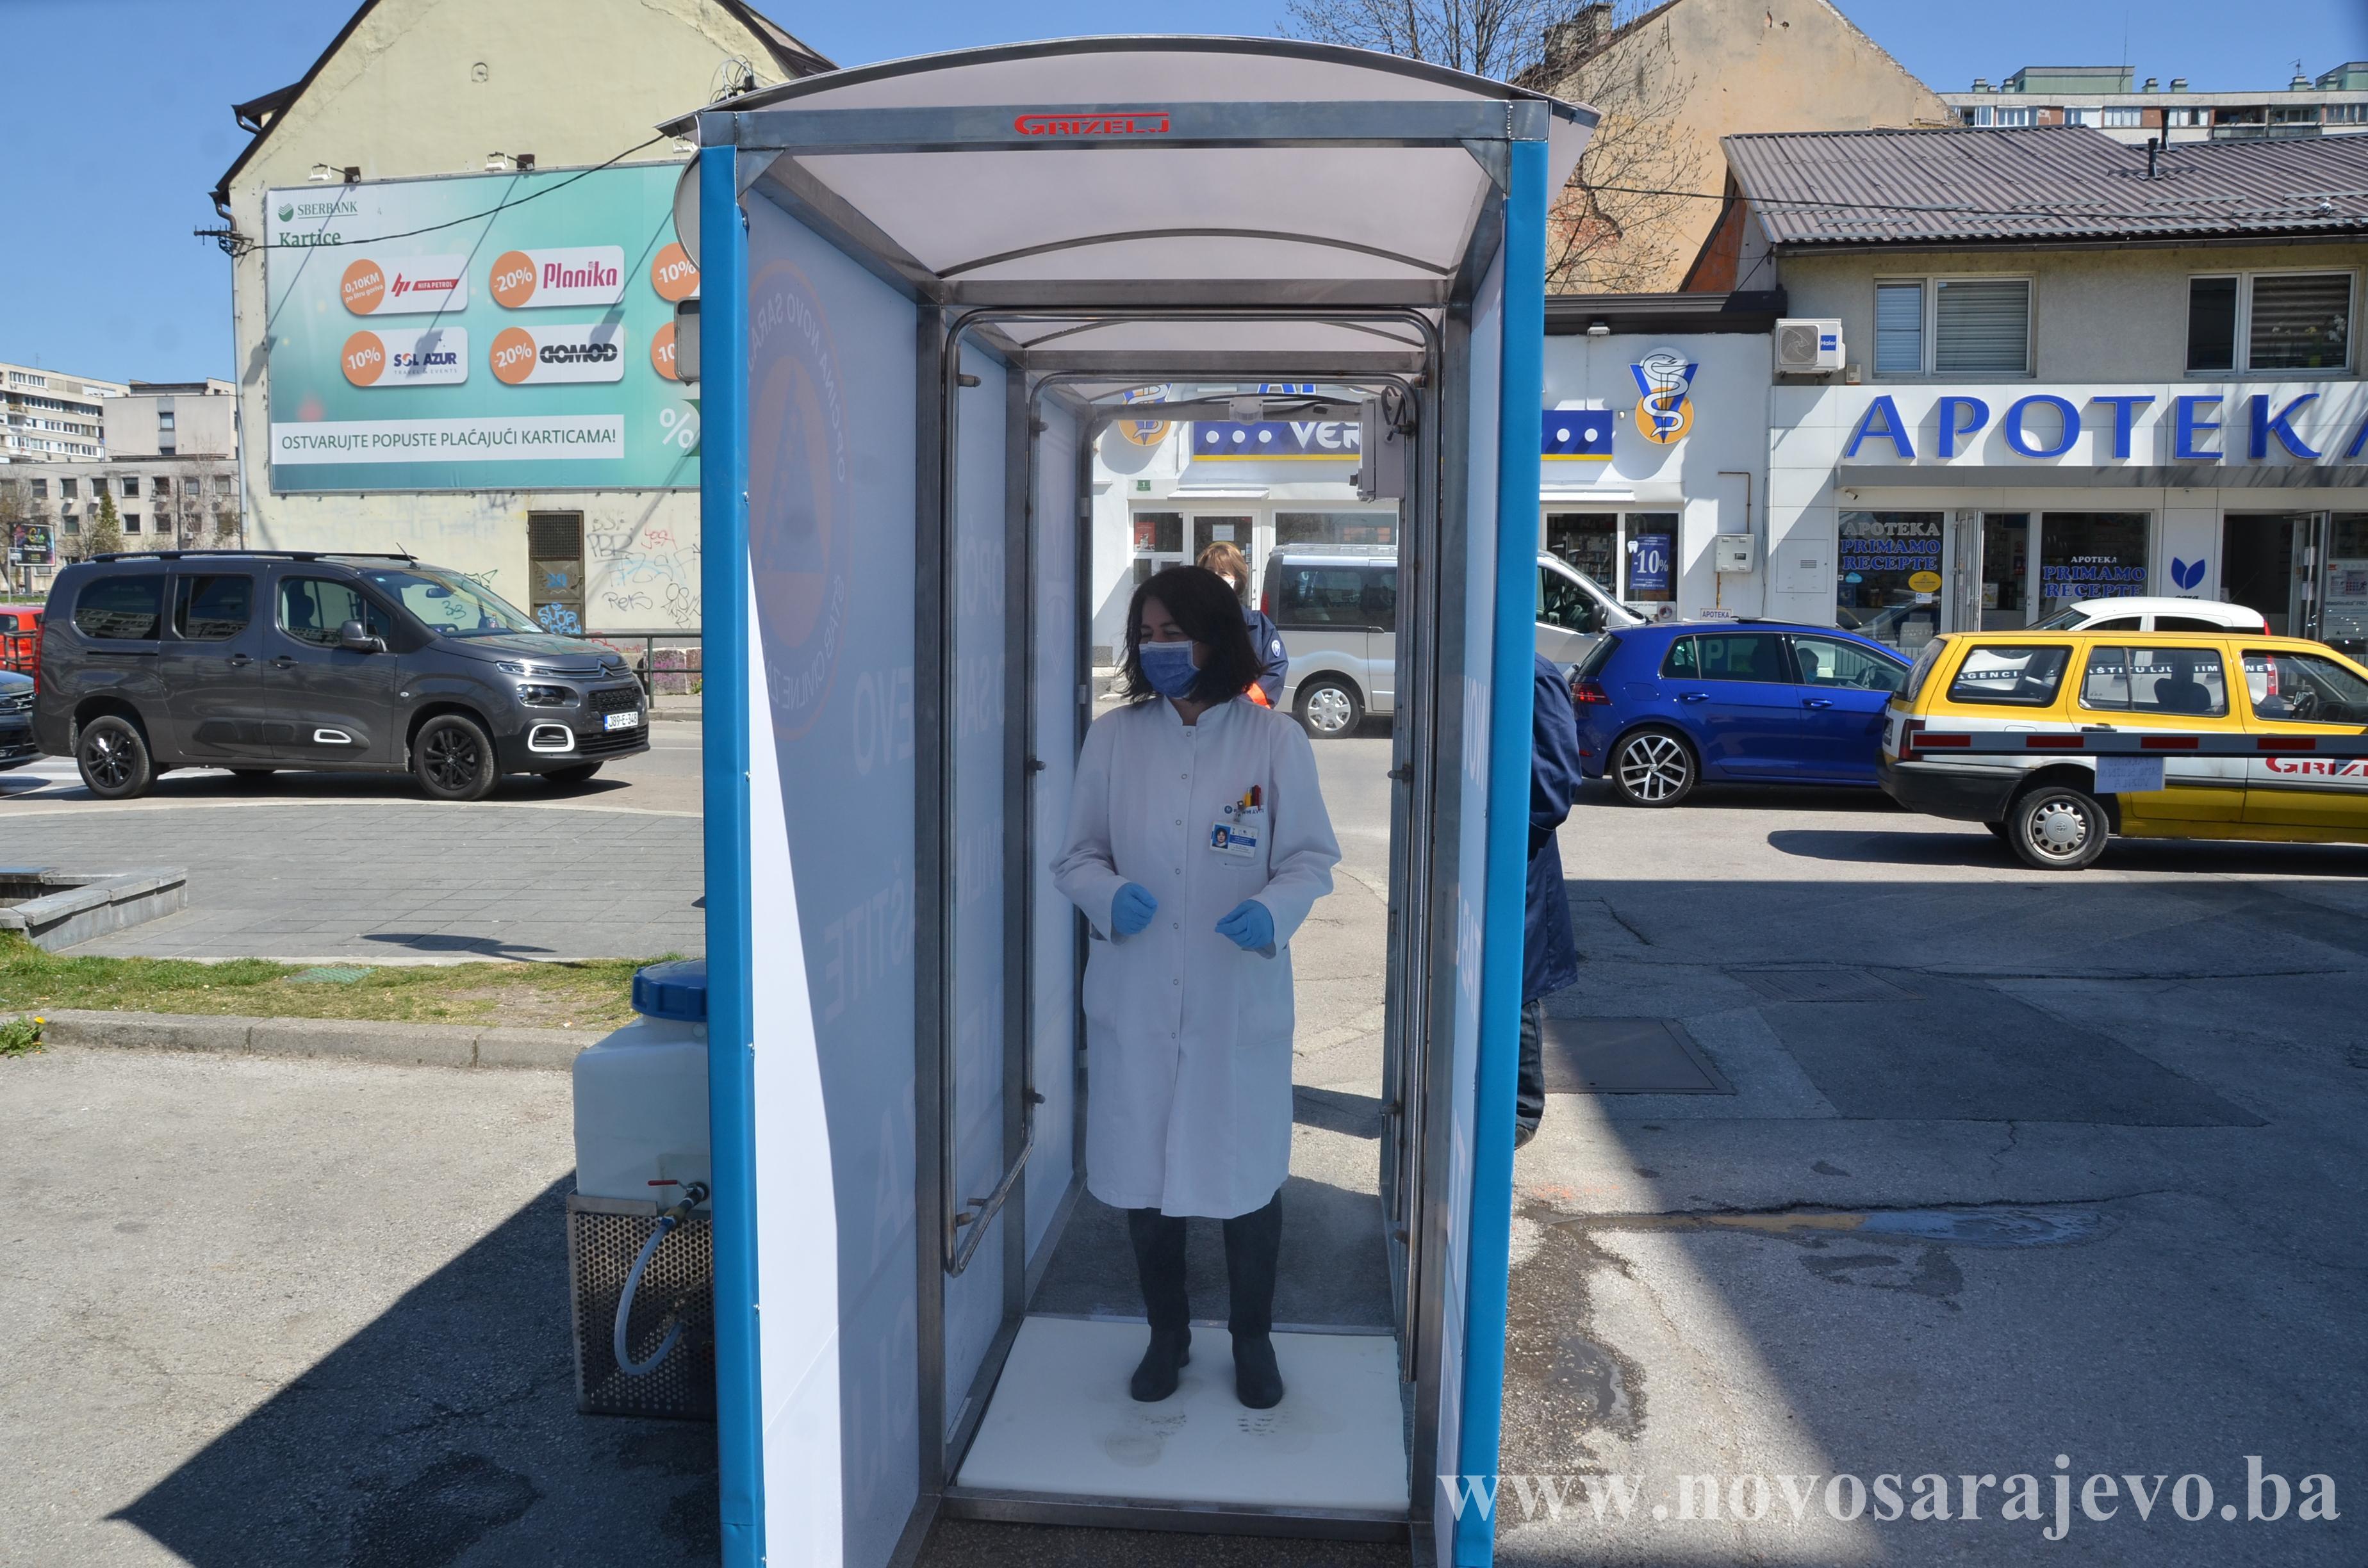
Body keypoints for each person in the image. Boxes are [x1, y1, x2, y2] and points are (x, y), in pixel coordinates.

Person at [1051, 564, 1341, 1410]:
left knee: (1245, 1179)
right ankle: (1166, 1335)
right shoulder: (1113, 739)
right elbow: (1076, 856)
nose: (1160, 649)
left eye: (1175, 633)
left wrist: (1275, 909)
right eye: (1148, 635)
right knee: (1146, 1179)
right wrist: (1108, 897)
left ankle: (1252, 1340)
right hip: (1136, 994)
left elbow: (1311, 858)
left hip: (1232, 998)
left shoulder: (1272, 743)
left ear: (1218, 637)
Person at [1517, 653, 1583, 1148]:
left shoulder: (1534, 673)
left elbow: (1557, 783)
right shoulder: (1478, 662)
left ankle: (1522, 1110)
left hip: (1520, 859)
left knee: (1518, 983)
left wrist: (1508, 838)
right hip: (1486, 856)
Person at [1196, 541, 1288, 707]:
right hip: (1198, 716)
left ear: (1237, 579)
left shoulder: (1258, 625)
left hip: (1246, 717)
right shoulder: (1187, 623)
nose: (1216, 578)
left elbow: (1275, 670)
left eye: (1223, 572)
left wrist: (1242, 705)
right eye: (1210, 571)